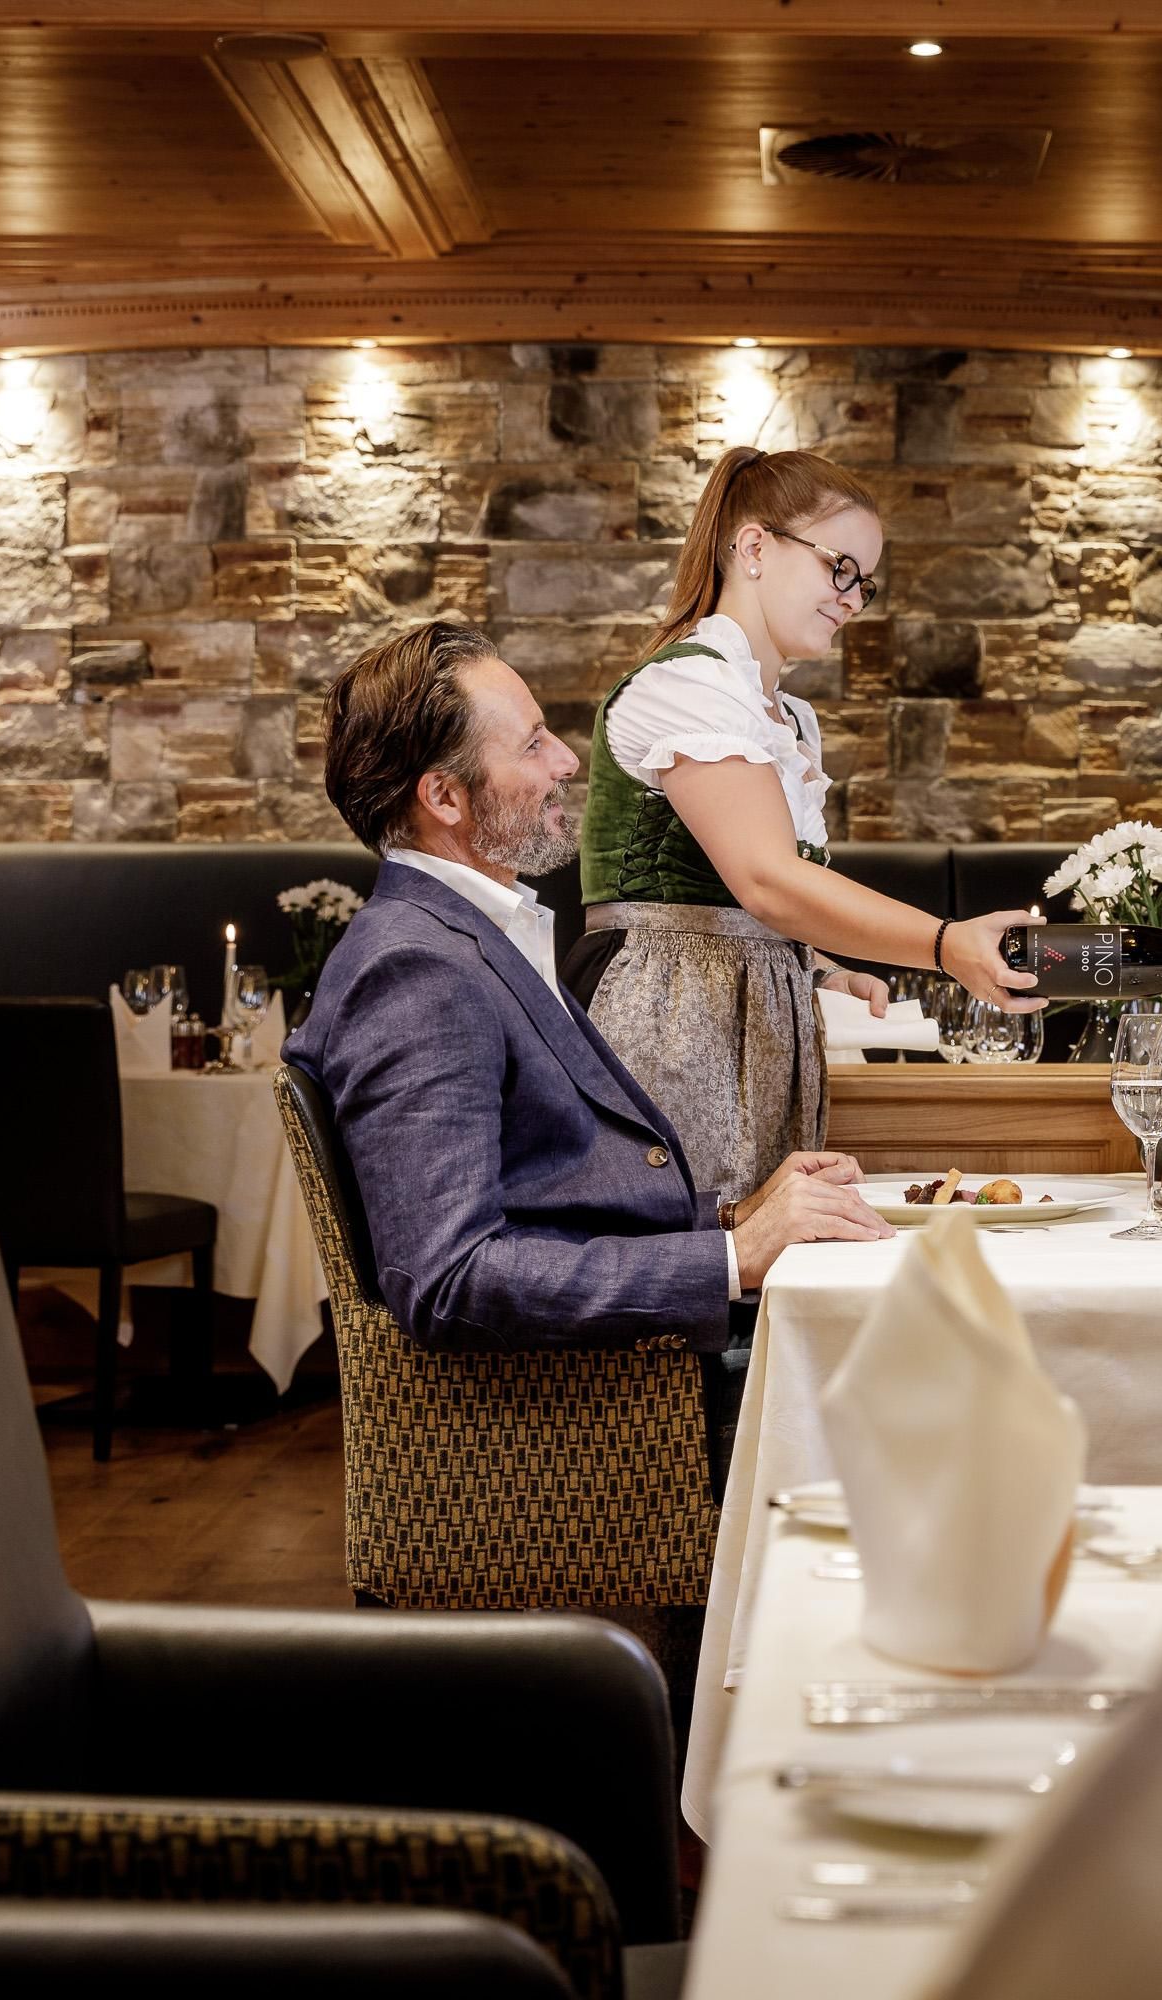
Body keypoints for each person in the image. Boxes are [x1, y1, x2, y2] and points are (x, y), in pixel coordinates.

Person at [285, 619, 890, 1466]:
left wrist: (733, 1213)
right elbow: (450, 1279)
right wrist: (731, 1257)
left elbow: (550, 1201)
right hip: (588, 1425)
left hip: (623, 1378)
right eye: (532, 745)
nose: (569, 761)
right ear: (445, 798)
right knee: (924, 1386)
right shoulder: (415, 970)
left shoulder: (468, 936)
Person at [572, 445, 1040, 1205]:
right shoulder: (687, 682)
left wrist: (820, 969)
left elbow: (742, 898)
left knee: (763, 1257)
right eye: (840, 569)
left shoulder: (787, 718)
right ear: (754, 547)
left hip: (754, 1019)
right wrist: (946, 944)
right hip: (669, 1020)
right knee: (689, 1262)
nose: (854, 599)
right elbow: (764, 879)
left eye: (867, 583)